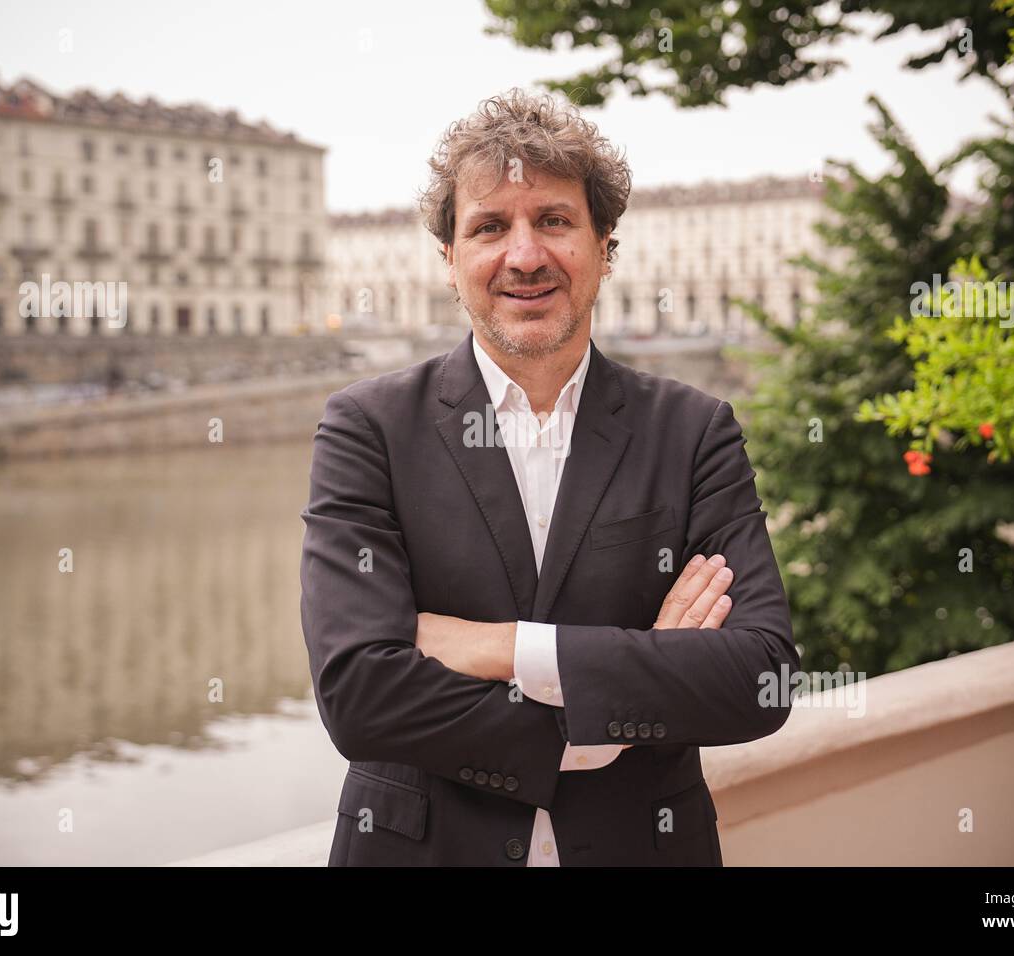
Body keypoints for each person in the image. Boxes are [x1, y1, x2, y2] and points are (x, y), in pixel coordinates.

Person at [301, 89, 797, 866]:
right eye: (490, 226)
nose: (524, 255)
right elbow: (360, 697)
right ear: (451, 258)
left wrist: (504, 649)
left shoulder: (694, 430)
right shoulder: (367, 428)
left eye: (555, 221)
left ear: (605, 247)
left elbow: (758, 678)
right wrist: (616, 699)